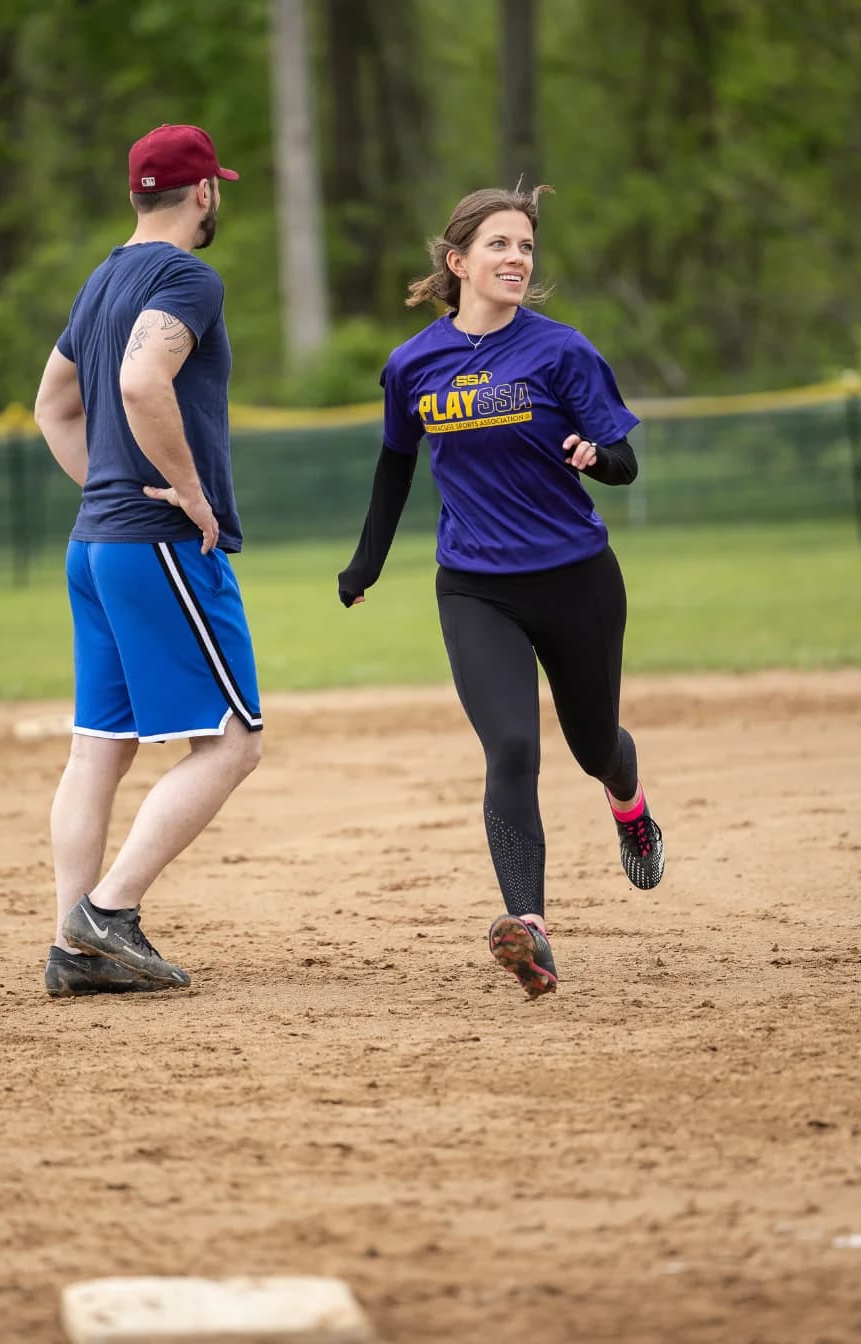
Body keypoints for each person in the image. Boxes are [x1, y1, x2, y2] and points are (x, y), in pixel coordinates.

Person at [338, 186, 664, 1002]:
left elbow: (623, 461)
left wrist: (597, 459)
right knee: (512, 747)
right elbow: (394, 463)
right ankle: (532, 931)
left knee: (593, 747)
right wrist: (366, 563)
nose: (517, 258)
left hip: (576, 577)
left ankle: (629, 805)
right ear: (458, 264)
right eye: (499, 245)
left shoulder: (562, 352)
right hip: (475, 585)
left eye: (524, 246)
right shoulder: (413, 363)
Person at [33, 123, 262, 998]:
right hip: (158, 544)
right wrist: (186, 491)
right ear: (204, 193)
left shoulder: (102, 278)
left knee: (100, 747)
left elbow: (54, 402)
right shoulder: (185, 276)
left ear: (139, 194)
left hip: (95, 545)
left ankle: (74, 949)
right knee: (233, 743)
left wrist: (109, 485)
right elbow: (139, 381)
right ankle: (109, 911)